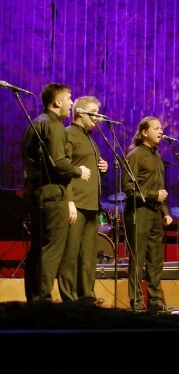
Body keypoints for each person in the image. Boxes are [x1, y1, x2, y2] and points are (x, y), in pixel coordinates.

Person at [20, 83, 92, 302]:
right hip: (52, 194)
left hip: (35, 192)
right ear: (57, 102)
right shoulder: (54, 126)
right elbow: (58, 163)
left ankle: (34, 300)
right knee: (51, 250)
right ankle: (43, 301)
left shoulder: (35, 123)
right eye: (69, 99)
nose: (71, 103)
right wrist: (79, 171)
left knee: (38, 249)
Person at [58, 96, 109, 303]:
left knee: (88, 256)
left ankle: (87, 296)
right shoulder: (68, 134)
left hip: (91, 204)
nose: (97, 116)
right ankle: (69, 298)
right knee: (70, 254)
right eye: (93, 112)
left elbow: (88, 167)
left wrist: (103, 168)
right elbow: (63, 168)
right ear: (80, 112)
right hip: (76, 203)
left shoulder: (91, 140)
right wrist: (69, 200)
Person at [122, 116, 173, 313]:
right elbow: (128, 187)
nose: (161, 131)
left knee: (155, 260)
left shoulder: (157, 157)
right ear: (144, 133)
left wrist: (165, 211)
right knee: (138, 258)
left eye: (161, 128)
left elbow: (161, 188)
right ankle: (136, 302)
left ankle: (155, 301)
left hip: (155, 213)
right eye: (156, 128)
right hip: (139, 212)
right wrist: (153, 195)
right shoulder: (135, 155)